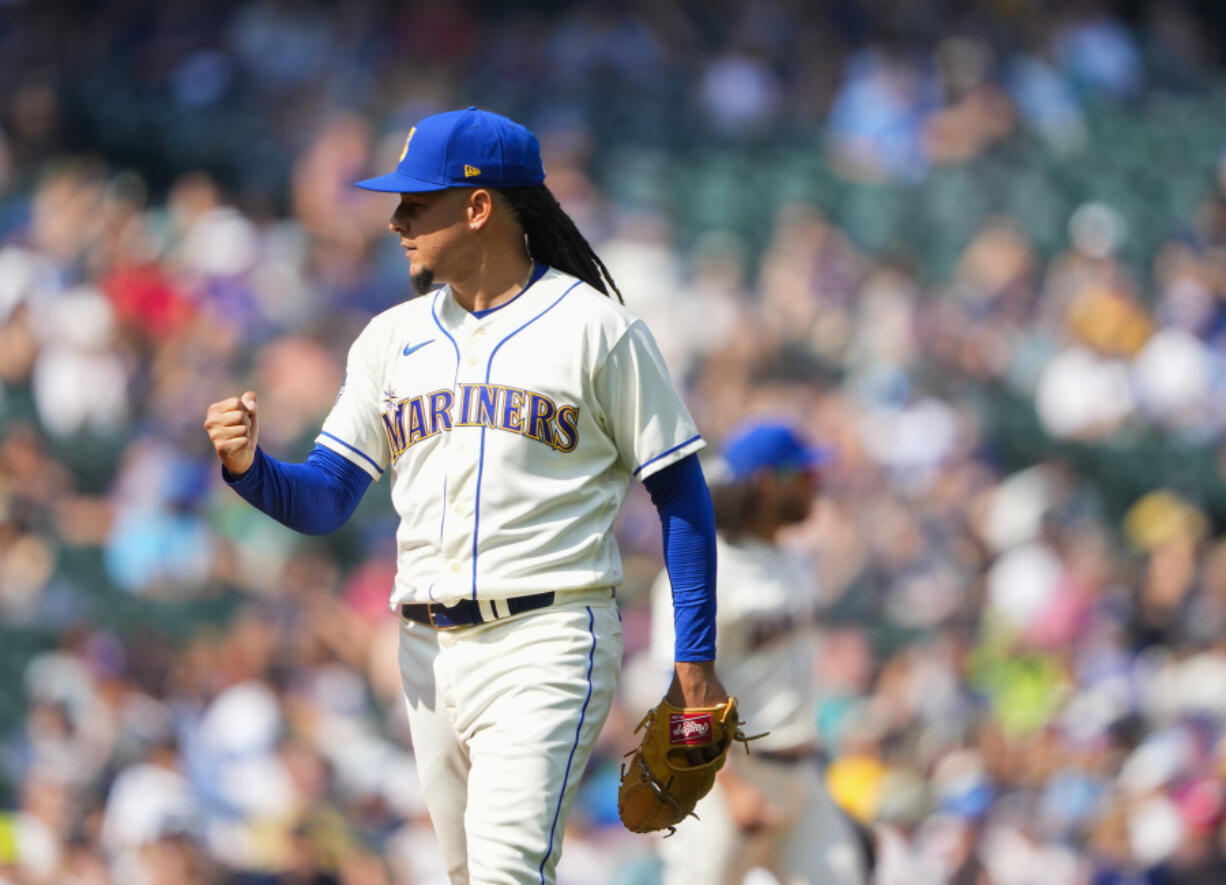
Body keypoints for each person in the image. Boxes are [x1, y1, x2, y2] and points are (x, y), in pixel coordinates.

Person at [203, 106, 728, 884]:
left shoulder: (596, 329)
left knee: (504, 872)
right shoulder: (389, 338)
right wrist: (250, 468)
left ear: (479, 207)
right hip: (425, 652)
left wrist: (695, 663)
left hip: (548, 633)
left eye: (417, 202)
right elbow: (325, 500)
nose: (396, 220)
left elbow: (681, 492)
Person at [650, 420, 870, 885]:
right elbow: (678, 693)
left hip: (802, 777)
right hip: (720, 786)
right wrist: (727, 784)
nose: (817, 485)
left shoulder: (790, 560)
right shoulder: (706, 570)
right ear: (769, 482)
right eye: (805, 475)